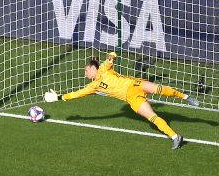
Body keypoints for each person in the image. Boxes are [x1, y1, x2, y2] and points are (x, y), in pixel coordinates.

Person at [44, 52, 200, 149]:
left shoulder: (104, 68)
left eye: (86, 70)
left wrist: (110, 57)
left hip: (135, 84)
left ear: (93, 68)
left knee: (160, 89)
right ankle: (175, 137)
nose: (85, 74)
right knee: (152, 117)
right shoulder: (93, 86)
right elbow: (77, 94)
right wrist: (59, 97)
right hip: (131, 98)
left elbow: (112, 55)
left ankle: (186, 97)